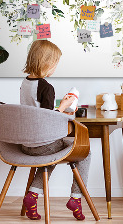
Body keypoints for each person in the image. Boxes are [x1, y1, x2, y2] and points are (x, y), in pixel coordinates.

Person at [20, 40, 90, 221]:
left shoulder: (25, 83)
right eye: (55, 63)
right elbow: (48, 119)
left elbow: (37, 112)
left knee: (50, 155)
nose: (55, 67)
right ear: (47, 63)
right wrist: (65, 106)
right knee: (85, 152)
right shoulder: (46, 87)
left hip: (26, 144)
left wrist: (60, 107)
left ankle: (32, 196)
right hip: (43, 144)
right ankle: (76, 198)